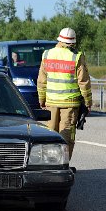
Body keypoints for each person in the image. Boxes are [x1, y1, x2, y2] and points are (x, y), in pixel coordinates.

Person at [37, 27, 92, 159]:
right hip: (70, 103)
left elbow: (41, 80)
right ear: (73, 42)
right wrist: (88, 101)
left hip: (50, 103)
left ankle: (48, 163)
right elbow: (83, 82)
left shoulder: (47, 55)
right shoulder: (76, 56)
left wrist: (41, 98)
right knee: (66, 135)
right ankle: (63, 163)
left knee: (50, 135)